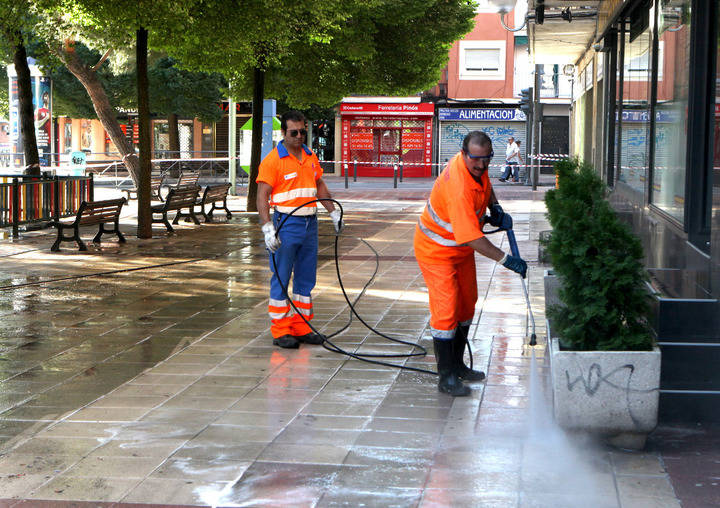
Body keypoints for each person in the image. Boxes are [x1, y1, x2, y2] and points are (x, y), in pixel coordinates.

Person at [414, 131, 527, 396]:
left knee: (467, 303)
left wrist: (494, 207)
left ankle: (459, 365)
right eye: (475, 159)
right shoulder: (458, 187)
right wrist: (506, 260)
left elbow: (486, 185)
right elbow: (472, 238)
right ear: (464, 154)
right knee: (447, 309)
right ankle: (446, 376)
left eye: (486, 159)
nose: (481, 165)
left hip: (459, 250)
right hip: (436, 250)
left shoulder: (478, 167)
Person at [256, 111, 342, 349]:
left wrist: (332, 211)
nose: (299, 136)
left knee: (306, 277)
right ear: (284, 133)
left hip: (309, 224)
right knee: (282, 276)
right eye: (294, 132)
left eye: (303, 131)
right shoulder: (273, 160)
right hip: (286, 224)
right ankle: (281, 329)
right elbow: (262, 195)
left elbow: (319, 184)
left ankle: (301, 325)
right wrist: (267, 228)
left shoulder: (309, 155)